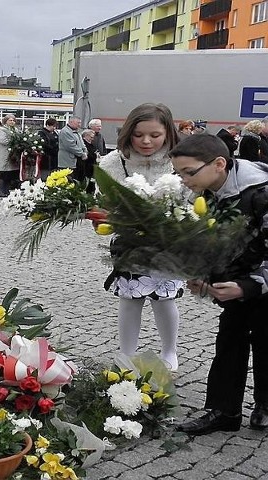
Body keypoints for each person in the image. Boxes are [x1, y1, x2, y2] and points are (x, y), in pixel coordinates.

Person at [169, 134, 268, 435]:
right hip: (235, 283)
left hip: (260, 284)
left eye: (188, 172)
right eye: (178, 173)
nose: (183, 180)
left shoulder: (260, 193)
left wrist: (250, 286)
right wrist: (201, 273)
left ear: (219, 164)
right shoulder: (204, 192)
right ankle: (223, 411)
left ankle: (264, 404)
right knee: (228, 342)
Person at [98, 103, 182, 371]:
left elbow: (193, 201)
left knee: (164, 299)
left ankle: (169, 351)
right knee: (130, 298)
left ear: (168, 133)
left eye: (155, 135)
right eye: (138, 134)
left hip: (168, 244)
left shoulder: (180, 162)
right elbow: (103, 205)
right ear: (128, 133)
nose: (146, 141)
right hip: (129, 243)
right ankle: (126, 354)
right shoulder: (114, 163)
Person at [0, 114, 20, 197]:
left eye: (13, 120)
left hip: (12, 156)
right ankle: (1, 190)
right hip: (4, 154)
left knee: (10, 174)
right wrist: (14, 141)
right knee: (3, 173)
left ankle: (7, 190)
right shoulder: (1, 130)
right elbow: (3, 141)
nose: (12, 122)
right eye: (10, 120)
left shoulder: (15, 130)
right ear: (5, 121)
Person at [77, 129, 97, 193]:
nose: (92, 139)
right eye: (91, 137)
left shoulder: (91, 144)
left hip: (91, 167)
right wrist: (95, 155)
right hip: (85, 167)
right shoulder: (83, 144)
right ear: (86, 136)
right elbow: (88, 154)